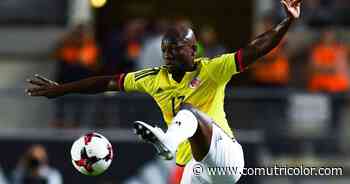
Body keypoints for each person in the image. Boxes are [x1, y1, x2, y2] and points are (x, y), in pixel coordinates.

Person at [26, 0, 302, 183]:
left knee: (189, 113)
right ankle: (168, 144)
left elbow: (257, 48)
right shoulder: (152, 78)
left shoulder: (213, 69)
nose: (168, 54)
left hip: (226, 158)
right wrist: (61, 89)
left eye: (175, 49)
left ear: (193, 50)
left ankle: (167, 143)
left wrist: (287, 22)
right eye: (165, 50)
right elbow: (106, 82)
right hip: (194, 170)